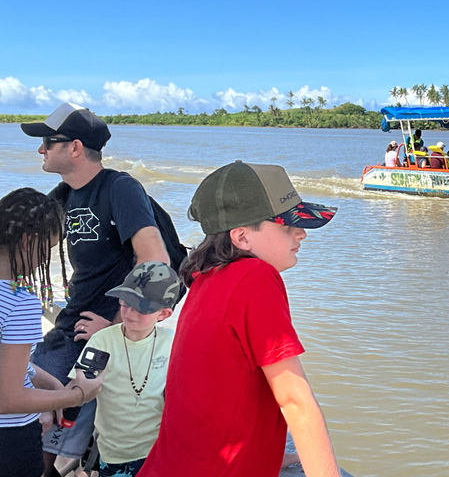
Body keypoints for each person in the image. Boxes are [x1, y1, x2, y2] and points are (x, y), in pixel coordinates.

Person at [139, 162, 341, 477]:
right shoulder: (256, 276)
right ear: (242, 237)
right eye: (287, 225)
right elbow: (296, 402)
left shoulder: (205, 278)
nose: (301, 234)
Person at [21, 102, 170, 474]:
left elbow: (155, 261)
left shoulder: (120, 188)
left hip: (103, 327)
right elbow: (21, 244)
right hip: (72, 320)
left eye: (47, 142)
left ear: (74, 147)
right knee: (30, 407)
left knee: (37, 413)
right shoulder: (63, 196)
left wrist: (120, 330)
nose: (40, 149)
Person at [0, 188, 103, 477]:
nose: (42, 260)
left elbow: (9, 361)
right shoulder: (20, 302)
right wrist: (77, 395)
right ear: (28, 241)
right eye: (47, 249)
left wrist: (53, 386)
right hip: (10, 440)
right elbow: (8, 399)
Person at [67, 261, 180, 477]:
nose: (129, 312)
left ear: (164, 314)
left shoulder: (174, 342)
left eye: (142, 308)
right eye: (125, 302)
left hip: (160, 450)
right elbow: (77, 388)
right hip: (114, 453)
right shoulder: (102, 341)